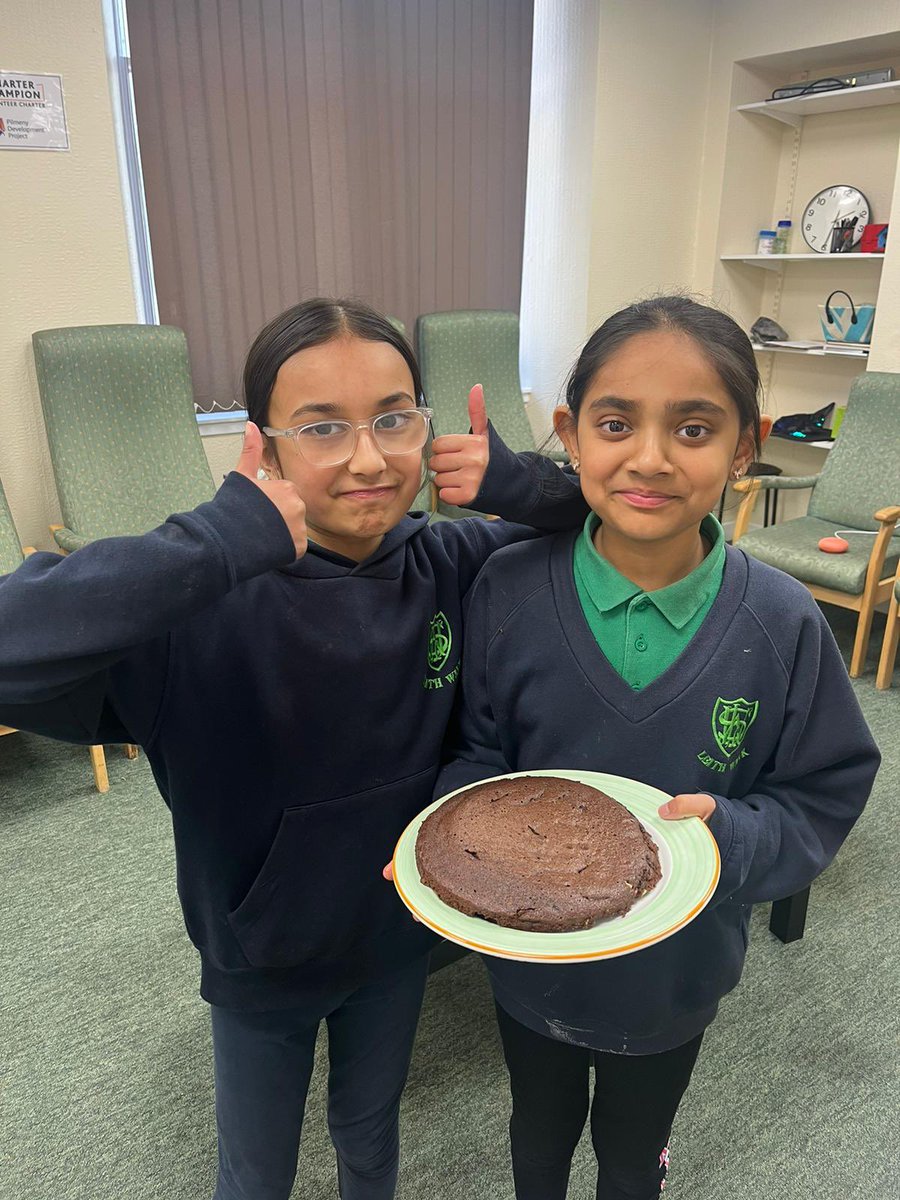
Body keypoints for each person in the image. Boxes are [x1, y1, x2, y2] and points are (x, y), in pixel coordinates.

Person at [0, 297, 588, 1200]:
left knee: (369, 1130)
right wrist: (219, 537)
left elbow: (613, 517)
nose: (367, 456)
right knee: (256, 1168)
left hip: (398, 936)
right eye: (322, 427)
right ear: (264, 445)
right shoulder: (196, 613)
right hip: (261, 955)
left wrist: (518, 482)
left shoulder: (453, 565)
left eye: (395, 418)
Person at [435, 296, 880, 1200]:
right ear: (569, 434)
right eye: (614, 423)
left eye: (692, 427)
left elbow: (825, 790)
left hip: (673, 983)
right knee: (539, 1131)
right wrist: (456, 835)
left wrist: (735, 838)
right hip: (529, 965)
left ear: (745, 445)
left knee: (634, 1154)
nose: (649, 456)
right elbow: (477, 747)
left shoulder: (783, 622)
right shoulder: (507, 589)